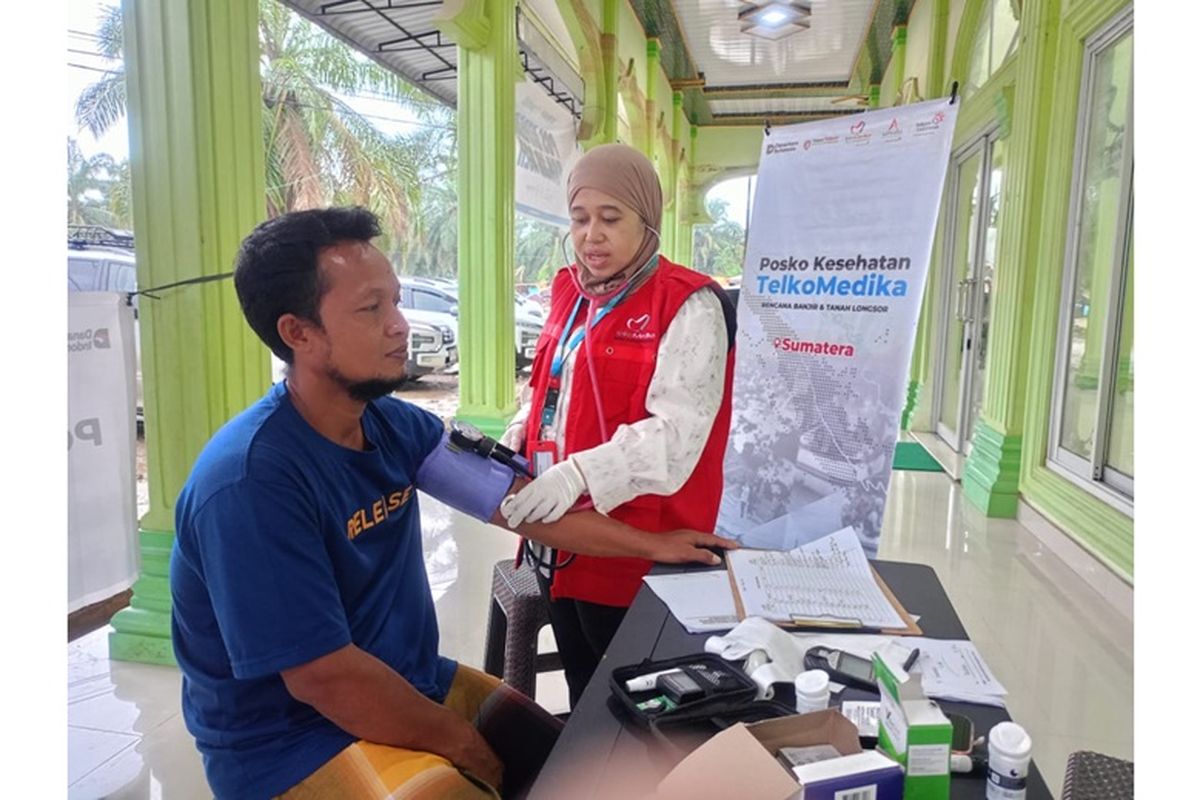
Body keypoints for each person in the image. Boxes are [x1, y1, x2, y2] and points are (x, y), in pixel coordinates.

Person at [168, 207, 737, 800]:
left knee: (580, 768)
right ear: (299, 333)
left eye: (395, 301)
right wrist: (462, 744)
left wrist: (657, 545)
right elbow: (325, 678)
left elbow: (519, 504)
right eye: (372, 309)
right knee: (475, 783)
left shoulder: (393, 425)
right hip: (291, 743)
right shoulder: (251, 483)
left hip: (412, 682)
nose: (400, 325)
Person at [498, 143, 738, 708]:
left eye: (611, 218)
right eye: (580, 219)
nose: (592, 236)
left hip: (641, 545)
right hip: (562, 536)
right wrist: (521, 428)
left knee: (635, 702)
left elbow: (677, 435)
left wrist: (578, 473)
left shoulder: (688, 305)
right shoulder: (570, 291)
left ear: (646, 221)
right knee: (582, 685)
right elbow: (552, 384)